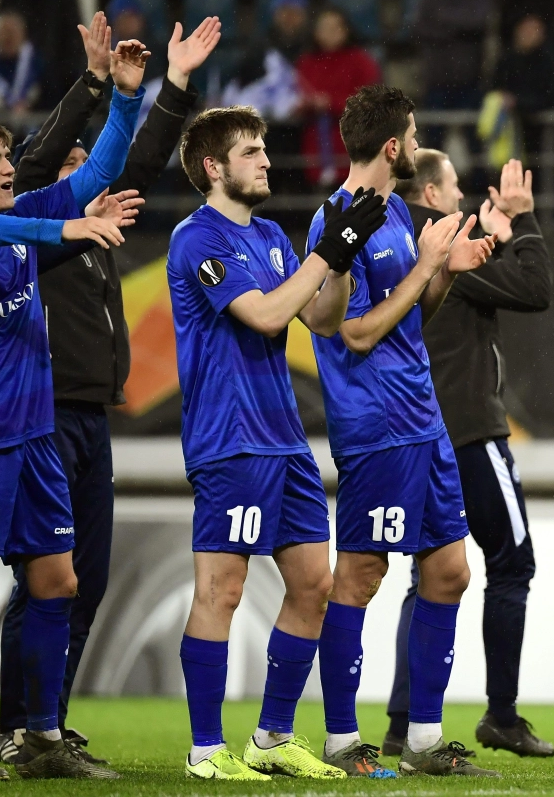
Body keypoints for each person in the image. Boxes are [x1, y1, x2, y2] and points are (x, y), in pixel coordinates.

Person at [0, 12, 221, 767]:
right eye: (73, 168)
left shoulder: (100, 234)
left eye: (94, 167)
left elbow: (144, 159)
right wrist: (94, 87)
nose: (89, 174)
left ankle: (49, 722)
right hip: (42, 413)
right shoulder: (32, 233)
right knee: (45, 580)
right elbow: (46, 157)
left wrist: (175, 84)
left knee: (84, 583)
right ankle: (23, 728)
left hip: (92, 417)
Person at [0, 38, 151, 781]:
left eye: (8, 159)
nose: (8, 170)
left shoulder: (22, 220)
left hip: (35, 440)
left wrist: (123, 97)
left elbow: (95, 172)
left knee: (58, 583)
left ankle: (43, 735)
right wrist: (64, 228)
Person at [167, 104, 386, 781]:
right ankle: (207, 751)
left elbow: (319, 318)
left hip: (284, 439)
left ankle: (272, 737)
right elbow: (264, 316)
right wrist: (326, 249)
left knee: (313, 584)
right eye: (252, 152)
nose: (267, 160)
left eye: (264, 149)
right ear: (214, 167)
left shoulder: (266, 236)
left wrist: (340, 261)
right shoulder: (196, 239)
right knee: (224, 590)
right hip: (230, 441)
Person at [305, 85, 500, 778]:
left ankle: (421, 740)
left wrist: (443, 272)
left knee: (449, 572)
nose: (416, 146)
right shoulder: (338, 220)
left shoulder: (392, 215)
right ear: (392, 147)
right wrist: (423, 267)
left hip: (424, 422)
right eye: (412, 136)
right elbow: (351, 332)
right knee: (360, 575)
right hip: (377, 426)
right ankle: (339, 739)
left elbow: (407, 315)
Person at [380, 153, 554, 758]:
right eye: (455, 186)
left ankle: (403, 725)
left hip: (417, 431)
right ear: (432, 191)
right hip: (469, 433)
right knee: (512, 564)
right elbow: (535, 290)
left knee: (423, 576)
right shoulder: (446, 238)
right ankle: (501, 715)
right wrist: (518, 228)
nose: (463, 199)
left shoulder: (396, 240)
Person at [296, 8, 382, 187]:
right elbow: (295, 96)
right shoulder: (306, 62)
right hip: (315, 144)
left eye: (334, 28)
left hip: (352, 145)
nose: (329, 33)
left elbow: (370, 101)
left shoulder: (361, 61)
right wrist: (305, 104)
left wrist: (330, 102)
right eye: (324, 28)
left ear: (346, 29)